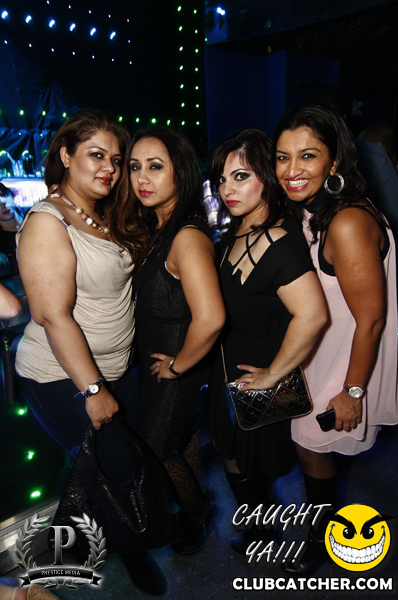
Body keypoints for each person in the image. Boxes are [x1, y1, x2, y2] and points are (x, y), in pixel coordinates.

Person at [14, 110, 167, 596]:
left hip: (118, 369)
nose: (110, 169)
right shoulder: (48, 221)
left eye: (116, 161)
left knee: (108, 466)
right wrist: (94, 389)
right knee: (116, 468)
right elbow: (52, 316)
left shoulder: (102, 215)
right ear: (65, 155)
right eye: (96, 155)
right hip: (62, 376)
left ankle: (87, 546)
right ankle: (130, 552)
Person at [273, 102, 398, 574]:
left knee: (312, 450)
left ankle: (323, 541)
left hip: (343, 366)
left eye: (307, 155)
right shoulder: (317, 211)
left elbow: (372, 321)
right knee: (310, 449)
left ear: (334, 162)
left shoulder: (346, 222)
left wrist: (353, 392)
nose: (291, 170)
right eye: (283, 157)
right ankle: (325, 531)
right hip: (321, 358)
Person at [208, 129, 327, 554]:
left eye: (241, 176)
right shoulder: (236, 232)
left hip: (256, 369)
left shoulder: (277, 239)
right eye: (222, 179)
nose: (227, 189)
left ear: (266, 178)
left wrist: (273, 373)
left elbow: (313, 315)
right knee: (232, 454)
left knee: (244, 458)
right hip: (226, 365)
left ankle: (263, 532)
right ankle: (259, 527)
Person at [129, 126, 225, 553]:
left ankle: (197, 516)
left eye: (155, 166)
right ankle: (197, 508)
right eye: (135, 167)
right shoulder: (161, 227)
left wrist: (178, 366)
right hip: (162, 364)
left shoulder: (187, 235)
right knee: (178, 439)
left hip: (175, 366)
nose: (141, 178)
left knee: (155, 447)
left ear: (180, 172)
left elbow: (211, 318)